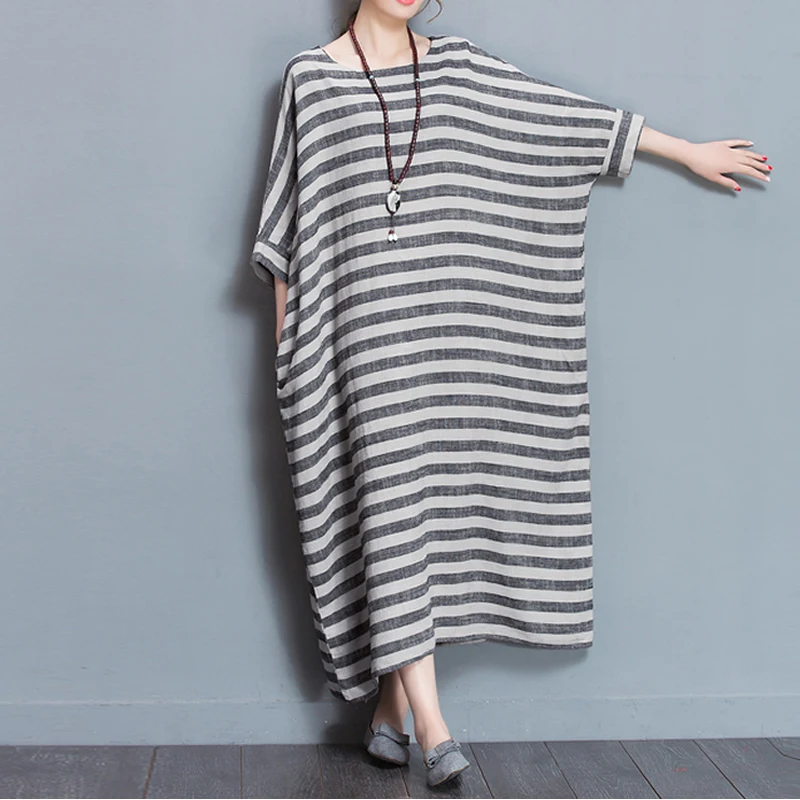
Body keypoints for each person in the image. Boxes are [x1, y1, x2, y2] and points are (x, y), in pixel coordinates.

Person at [250, 0, 771, 787]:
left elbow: (560, 122)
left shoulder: (459, 69)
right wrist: (288, 353)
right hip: (356, 343)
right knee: (390, 508)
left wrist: (680, 150)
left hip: (441, 349)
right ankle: (434, 724)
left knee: (410, 519)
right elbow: (286, 232)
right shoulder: (310, 82)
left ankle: (393, 712)